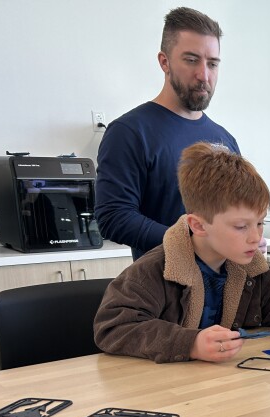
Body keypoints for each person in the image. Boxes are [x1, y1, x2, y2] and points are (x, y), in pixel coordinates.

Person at [94, 142, 270, 363]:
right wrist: (190, 343)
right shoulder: (153, 271)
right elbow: (113, 327)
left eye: (260, 223)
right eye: (241, 227)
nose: (256, 237)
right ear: (198, 225)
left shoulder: (252, 269)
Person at [95, 7, 240, 260]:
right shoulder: (129, 133)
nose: (203, 75)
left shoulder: (226, 140)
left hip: (223, 289)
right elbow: (113, 217)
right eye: (191, 60)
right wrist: (192, 244)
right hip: (164, 292)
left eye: (213, 63)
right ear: (165, 62)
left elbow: (239, 211)